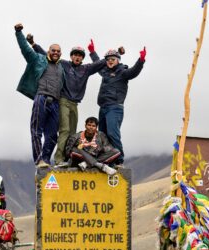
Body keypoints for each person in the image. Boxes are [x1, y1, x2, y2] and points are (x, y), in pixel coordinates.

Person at [26, 34, 106, 167]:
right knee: (64, 130)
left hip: (75, 104)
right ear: (71, 56)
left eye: (80, 55)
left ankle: (68, 158)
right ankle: (58, 159)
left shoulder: (86, 69)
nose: (77, 56)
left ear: (82, 58)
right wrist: (33, 44)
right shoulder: (63, 64)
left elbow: (100, 63)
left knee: (73, 134)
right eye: (75, 54)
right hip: (63, 101)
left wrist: (113, 54)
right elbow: (44, 53)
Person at [88, 41, 147, 167]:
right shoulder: (104, 72)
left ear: (118, 60)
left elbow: (134, 72)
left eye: (113, 59)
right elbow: (98, 61)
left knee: (112, 133)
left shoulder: (123, 72)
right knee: (102, 135)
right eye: (108, 59)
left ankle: (119, 160)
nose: (110, 61)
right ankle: (106, 159)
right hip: (103, 107)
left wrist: (141, 60)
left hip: (114, 107)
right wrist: (92, 52)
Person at [15, 24, 65, 168]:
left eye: (58, 51)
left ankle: (46, 160)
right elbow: (25, 49)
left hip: (55, 103)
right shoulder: (38, 59)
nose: (55, 52)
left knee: (52, 136)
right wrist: (19, 33)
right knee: (36, 131)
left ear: (60, 53)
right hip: (41, 98)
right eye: (53, 50)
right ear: (48, 51)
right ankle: (39, 161)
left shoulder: (61, 67)